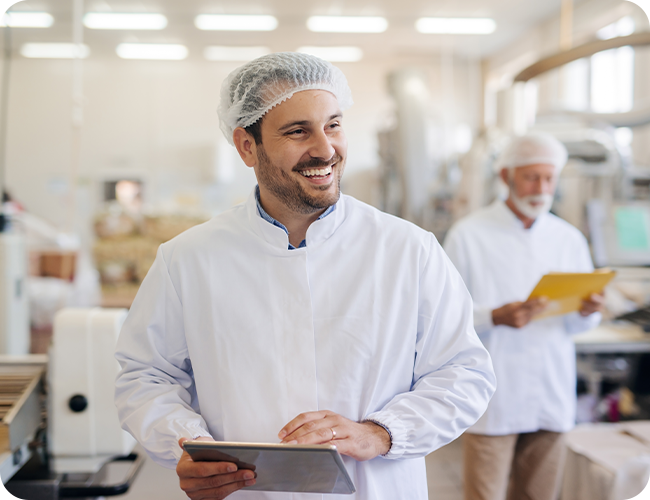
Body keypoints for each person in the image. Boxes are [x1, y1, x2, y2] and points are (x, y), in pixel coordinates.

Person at [114, 52, 496, 500]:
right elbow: (146, 375)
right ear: (246, 146)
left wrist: (381, 432)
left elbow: (464, 371)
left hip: (374, 489)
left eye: (333, 125)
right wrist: (186, 444)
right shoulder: (189, 258)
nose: (326, 149)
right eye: (298, 131)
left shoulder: (408, 249)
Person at [443, 133, 604, 500]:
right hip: (493, 395)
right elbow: (443, 318)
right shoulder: (468, 235)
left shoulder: (569, 239)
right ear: (506, 177)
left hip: (551, 390)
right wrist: (494, 316)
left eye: (549, 178)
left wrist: (587, 310)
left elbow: (578, 325)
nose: (541, 188)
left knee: (540, 495)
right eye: (532, 177)